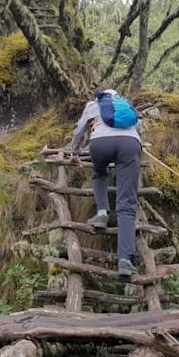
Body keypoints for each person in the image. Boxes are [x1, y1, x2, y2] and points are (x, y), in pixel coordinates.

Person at [69, 87, 142, 277]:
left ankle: (102, 213)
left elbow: (80, 129)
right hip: (129, 144)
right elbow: (138, 126)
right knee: (127, 205)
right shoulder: (125, 103)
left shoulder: (93, 105)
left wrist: (74, 153)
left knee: (100, 173)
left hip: (100, 143)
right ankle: (125, 260)